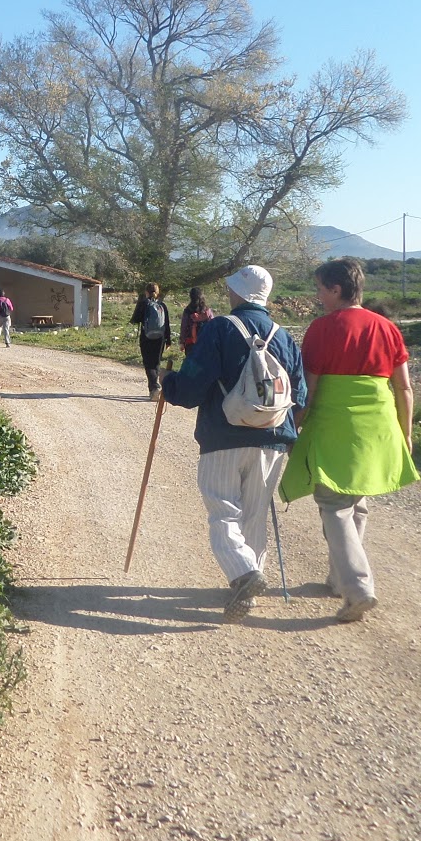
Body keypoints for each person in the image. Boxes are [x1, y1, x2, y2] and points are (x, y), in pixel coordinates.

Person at [161, 265, 307, 622]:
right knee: (254, 515)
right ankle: (248, 587)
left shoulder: (220, 328)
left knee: (223, 510)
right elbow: (299, 394)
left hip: (222, 436)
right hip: (273, 439)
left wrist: (169, 383)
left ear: (238, 292)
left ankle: (244, 573)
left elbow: (192, 386)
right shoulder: (284, 337)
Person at [281, 257, 418, 623]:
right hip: (379, 427)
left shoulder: (322, 328)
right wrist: (405, 434)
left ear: (336, 289)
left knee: (334, 504)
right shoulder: (388, 328)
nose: (317, 296)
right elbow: (404, 388)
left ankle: (358, 587)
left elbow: (308, 389)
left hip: (335, 427)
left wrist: (293, 427)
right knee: (356, 500)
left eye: (320, 289)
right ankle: (337, 579)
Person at [129, 282, 172, 399]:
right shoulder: (162, 305)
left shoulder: (143, 304)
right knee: (156, 363)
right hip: (160, 338)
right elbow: (167, 324)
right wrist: (168, 340)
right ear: (158, 292)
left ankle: (154, 388)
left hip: (146, 337)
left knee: (148, 363)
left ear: (146, 292)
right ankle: (153, 390)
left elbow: (135, 319)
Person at [178, 286, 213, 356]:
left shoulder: (188, 311)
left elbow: (184, 327)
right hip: (205, 342)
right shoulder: (207, 311)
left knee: (191, 361)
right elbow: (213, 326)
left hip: (190, 343)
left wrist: (182, 342)